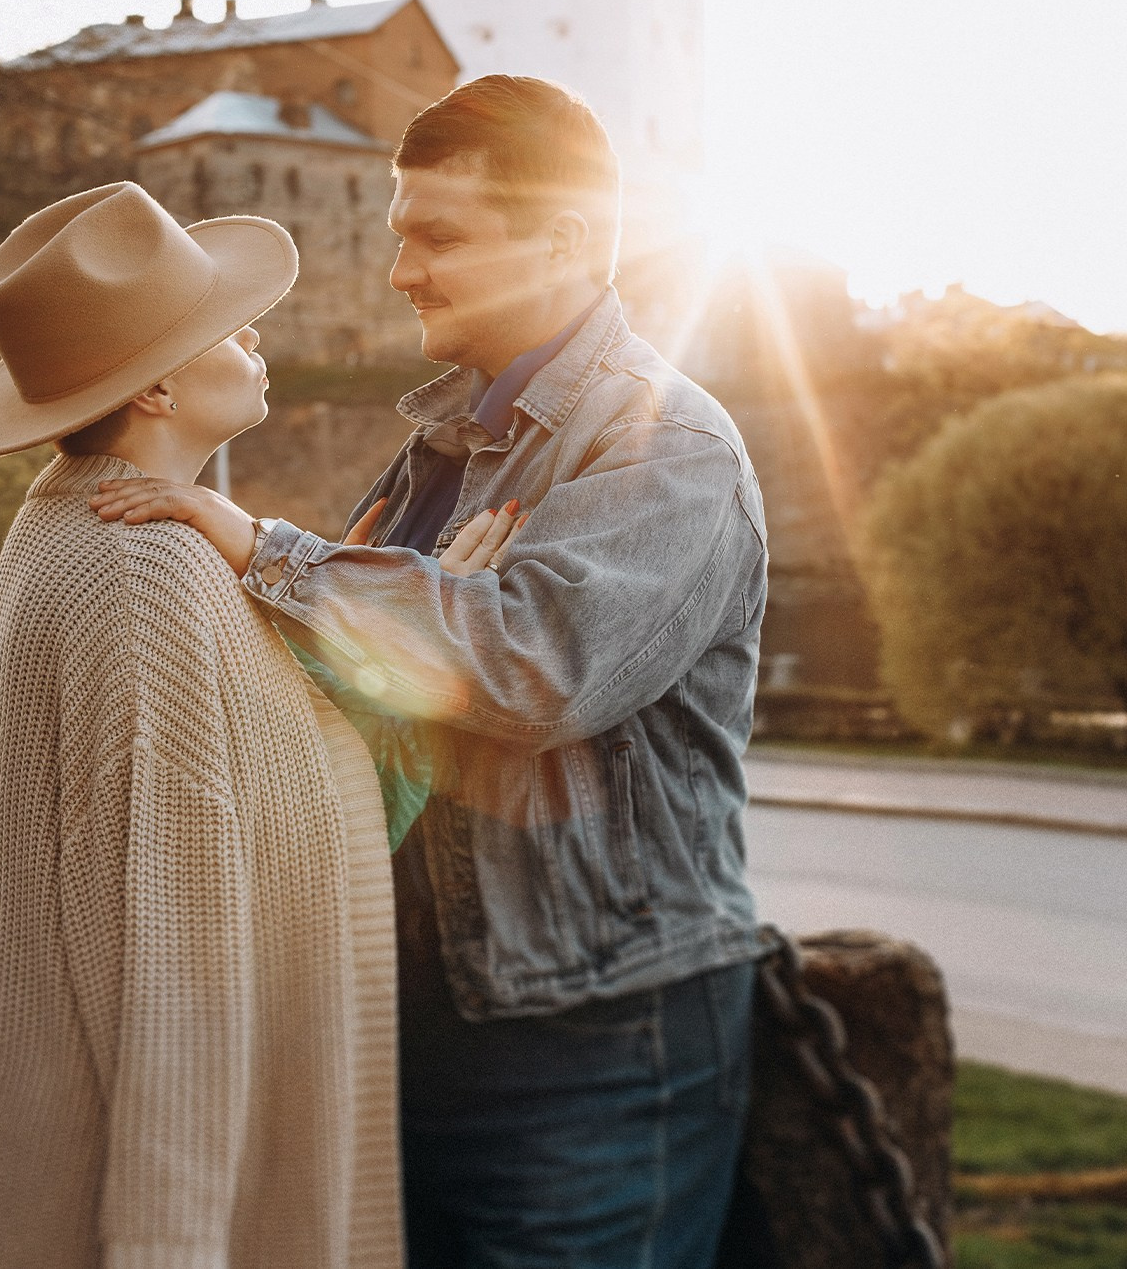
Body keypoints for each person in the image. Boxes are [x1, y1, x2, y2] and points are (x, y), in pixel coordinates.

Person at [92, 76, 770, 1269]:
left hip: (595, 1035)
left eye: (437, 235)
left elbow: (528, 667)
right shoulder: (447, 445)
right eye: (403, 231)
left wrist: (269, 550)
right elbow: (382, 681)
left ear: (560, 240)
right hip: (431, 1012)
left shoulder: (667, 442)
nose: (399, 268)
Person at [0, 180, 516, 1269]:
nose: (255, 332)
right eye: (225, 326)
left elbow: (267, 781)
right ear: (157, 388)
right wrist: (172, 1236)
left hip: (57, 1132)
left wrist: (382, 601)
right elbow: (171, 939)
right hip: (129, 1185)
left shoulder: (73, 529)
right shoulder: (147, 571)